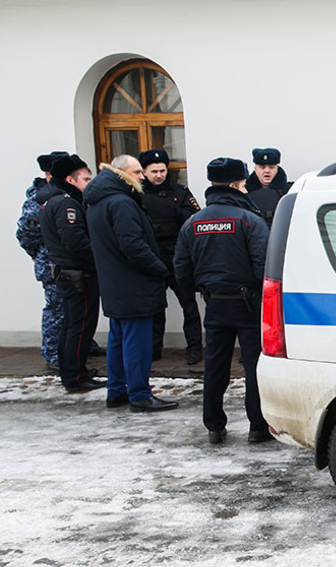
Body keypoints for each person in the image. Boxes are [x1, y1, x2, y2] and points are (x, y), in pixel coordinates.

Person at [176, 157, 271, 444]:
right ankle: (258, 426)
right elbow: (263, 264)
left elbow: (181, 268)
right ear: (236, 184)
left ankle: (214, 426)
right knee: (255, 366)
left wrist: (203, 289)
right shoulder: (249, 220)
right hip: (248, 303)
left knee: (215, 366)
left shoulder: (193, 222)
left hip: (214, 303)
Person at [85, 155, 179, 413]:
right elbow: (134, 246)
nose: (141, 177)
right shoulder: (121, 203)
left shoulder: (99, 200)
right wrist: (160, 269)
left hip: (115, 284)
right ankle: (139, 393)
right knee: (137, 341)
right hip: (134, 284)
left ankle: (117, 390)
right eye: (136, 172)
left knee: (118, 339)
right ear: (121, 174)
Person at [36, 154, 104, 392]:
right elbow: (75, 240)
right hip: (78, 274)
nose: (89, 183)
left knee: (71, 325)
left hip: (68, 272)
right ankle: (75, 377)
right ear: (70, 179)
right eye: (85, 179)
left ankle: (73, 371)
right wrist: (99, 258)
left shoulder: (53, 200)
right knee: (81, 326)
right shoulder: (66, 203)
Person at [138, 149, 203, 364]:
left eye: (162, 170)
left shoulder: (180, 193)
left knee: (189, 306)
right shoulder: (136, 196)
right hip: (152, 259)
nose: (159, 175)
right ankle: (154, 349)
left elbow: (195, 222)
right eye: (154, 171)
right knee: (155, 308)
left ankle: (194, 347)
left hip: (177, 258)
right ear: (144, 172)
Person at [18, 151, 66, 371]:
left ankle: (82, 344)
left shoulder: (65, 194)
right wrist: (38, 255)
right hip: (50, 264)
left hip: (67, 261)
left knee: (72, 308)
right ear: (49, 173)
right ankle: (52, 352)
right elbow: (26, 235)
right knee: (56, 308)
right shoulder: (37, 199)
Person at [245, 147, 292, 227]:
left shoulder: (289, 192)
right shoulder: (244, 193)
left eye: (271, 167)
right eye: (262, 167)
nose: (267, 171)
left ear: (277, 168)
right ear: (255, 169)